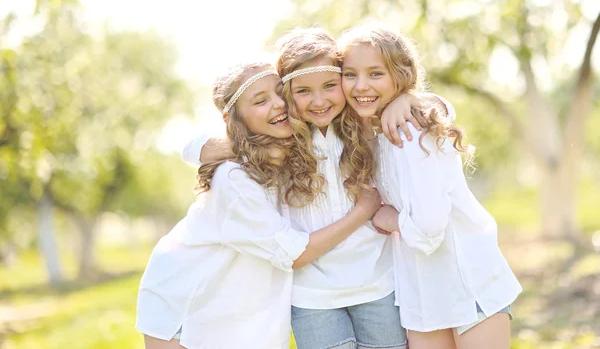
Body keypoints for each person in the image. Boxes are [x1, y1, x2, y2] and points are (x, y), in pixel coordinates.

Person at [183, 28, 452, 349]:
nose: (320, 100)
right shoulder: (280, 139)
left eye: (329, 86)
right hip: (312, 296)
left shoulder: (364, 123)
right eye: (304, 91)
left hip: (378, 284)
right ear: (287, 94)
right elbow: (191, 147)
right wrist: (243, 146)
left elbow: (442, 109)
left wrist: (408, 97)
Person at [136, 60, 383, 349]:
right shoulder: (234, 177)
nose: (278, 104)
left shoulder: (291, 149)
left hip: (235, 312)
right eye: (260, 100)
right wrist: (363, 211)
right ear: (234, 118)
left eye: (280, 93)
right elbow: (293, 254)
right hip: (186, 308)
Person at [338, 23, 522, 349]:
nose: (361, 85)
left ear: (401, 75)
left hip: (468, 279)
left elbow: (428, 227)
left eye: (376, 74)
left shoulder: (411, 131)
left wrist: (388, 218)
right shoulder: (373, 134)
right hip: (422, 292)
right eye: (350, 74)